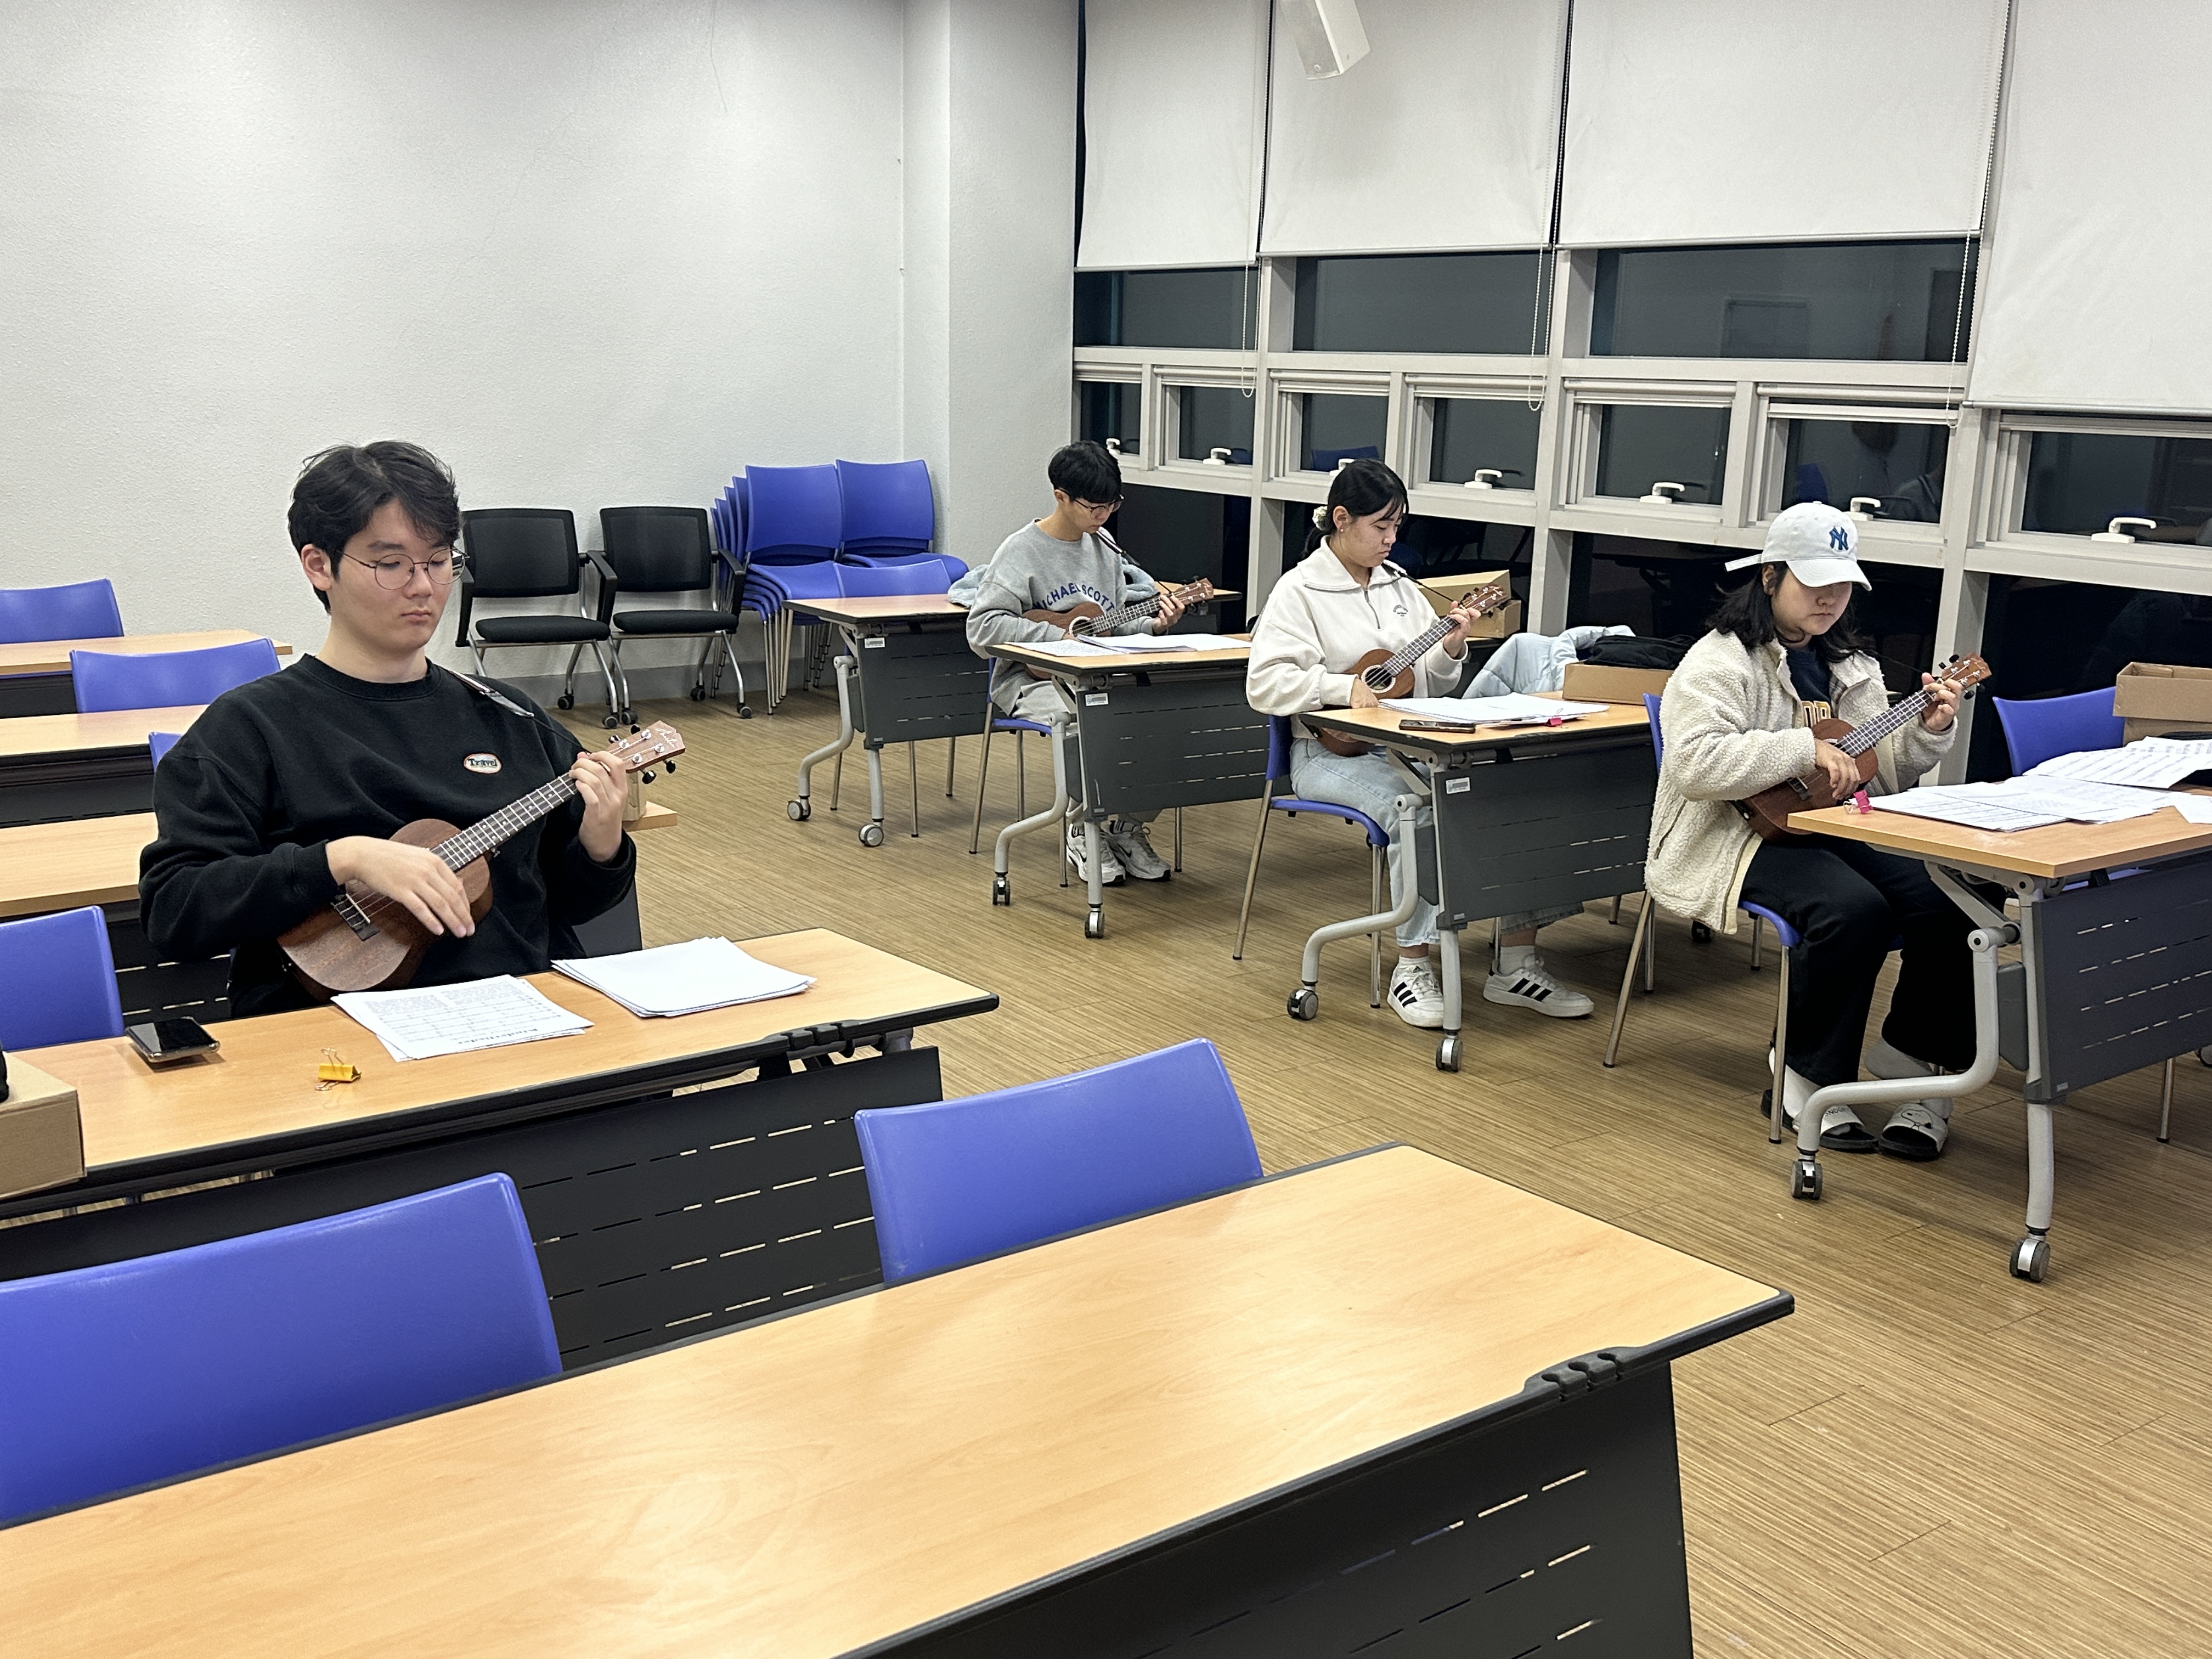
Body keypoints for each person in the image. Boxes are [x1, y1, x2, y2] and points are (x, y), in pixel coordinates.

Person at [141, 442, 637, 1019]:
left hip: (519, 1015)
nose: (423, 586)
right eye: (392, 564)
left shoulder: (511, 717)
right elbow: (175, 911)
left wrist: (601, 846)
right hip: (338, 1035)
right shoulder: (248, 728)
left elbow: (572, 906)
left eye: (438, 561)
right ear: (319, 565)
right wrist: (341, 860)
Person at [1645, 501, 1967, 1159]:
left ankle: (1912, 1056)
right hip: (1736, 835)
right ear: (1770, 577)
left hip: (1829, 823)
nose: (1830, 599)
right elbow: (1693, 764)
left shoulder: (1854, 666)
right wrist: (1802, 749)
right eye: (1815, 582)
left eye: (1843, 585)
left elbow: (1883, 770)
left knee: (1947, 898)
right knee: (1852, 911)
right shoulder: (1720, 662)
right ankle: (1805, 1075)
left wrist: (1929, 734)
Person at [1245, 459, 1595, 1029]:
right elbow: (1264, 685)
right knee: (1417, 808)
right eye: (1380, 526)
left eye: (1397, 526)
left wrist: (1451, 648)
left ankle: (1515, 964)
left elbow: (1422, 682)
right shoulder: (1299, 590)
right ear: (1341, 519)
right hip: (1327, 753)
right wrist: (1342, 687)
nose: (1391, 539)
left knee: (1513, 794)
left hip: (1406, 743)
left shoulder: (1399, 586)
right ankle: (1412, 965)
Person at [964, 441, 1187, 883]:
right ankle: (1084, 828)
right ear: (1061, 496)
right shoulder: (1020, 551)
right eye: (1094, 507)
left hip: (1100, 674)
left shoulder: (1104, 546)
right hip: (1034, 683)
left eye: (1112, 505)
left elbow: (1108, 625)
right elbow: (982, 628)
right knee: (1089, 721)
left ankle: (1125, 828)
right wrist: (1057, 637)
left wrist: (1153, 626)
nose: (1103, 516)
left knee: (1168, 717)